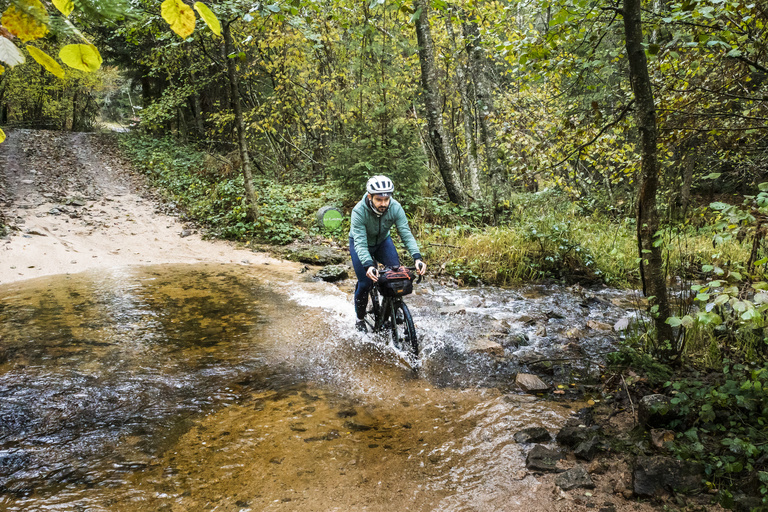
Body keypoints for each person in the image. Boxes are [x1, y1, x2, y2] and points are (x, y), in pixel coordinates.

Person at [349, 175, 427, 332]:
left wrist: (417, 257)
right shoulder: (358, 211)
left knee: (396, 273)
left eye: (387, 199)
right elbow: (360, 243)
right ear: (370, 196)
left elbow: (405, 233)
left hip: (383, 242)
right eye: (379, 199)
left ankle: (392, 306)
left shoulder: (395, 207)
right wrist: (368, 265)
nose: (383, 204)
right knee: (365, 283)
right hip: (360, 244)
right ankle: (359, 319)